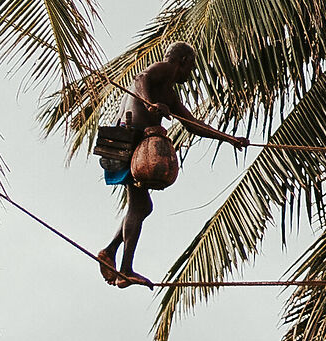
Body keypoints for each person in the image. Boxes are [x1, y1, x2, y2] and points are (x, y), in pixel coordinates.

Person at [93, 42, 249, 287]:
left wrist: (229, 139)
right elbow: (140, 78)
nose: (190, 73)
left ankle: (110, 251)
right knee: (139, 207)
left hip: (127, 142)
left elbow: (193, 125)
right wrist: (148, 103)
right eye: (191, 67)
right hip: (132, 141)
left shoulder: (168, 95)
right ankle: (125, 270)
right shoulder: (165, 69)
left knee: (143, 206)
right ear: (183, 60)